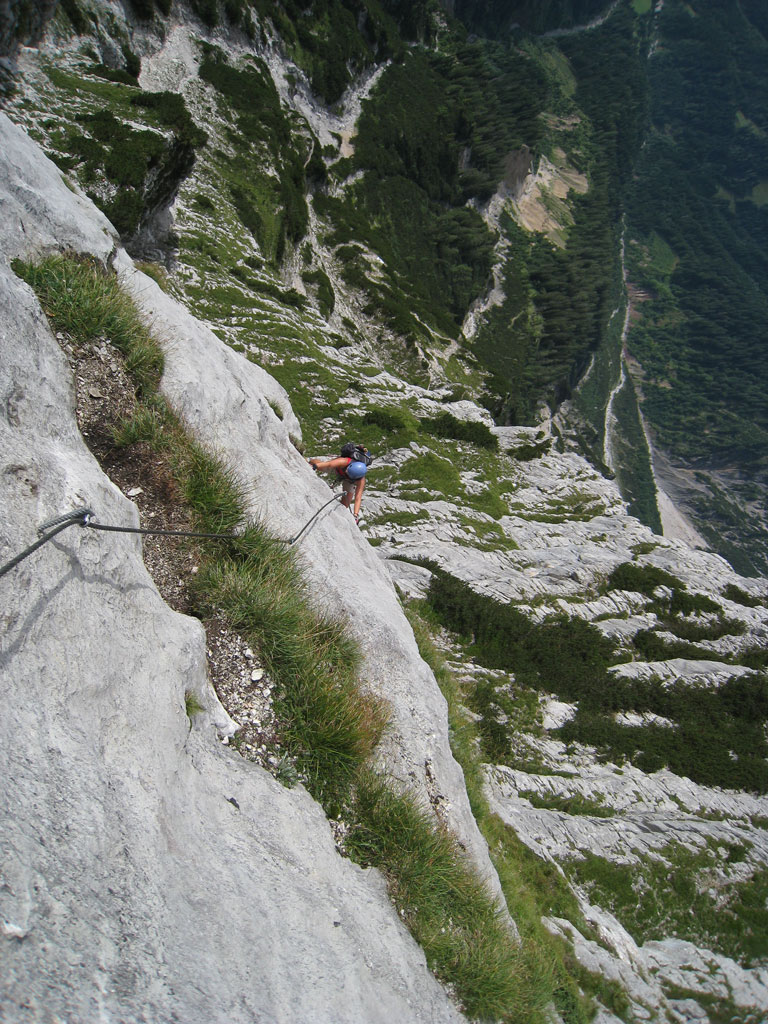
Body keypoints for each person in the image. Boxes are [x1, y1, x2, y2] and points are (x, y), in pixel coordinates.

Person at [309, 447, 369, 524]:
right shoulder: (343, 461)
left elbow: (358, 497)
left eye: (348, 473)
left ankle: (335, 514)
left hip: (349, 481)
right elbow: (329, 464)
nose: (346, 473)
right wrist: (315, 466)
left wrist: (355, 515)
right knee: (322, 467)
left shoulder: (361, 480)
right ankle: (310, 461)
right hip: (338, 469)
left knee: (345, 504)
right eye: (347, 471)